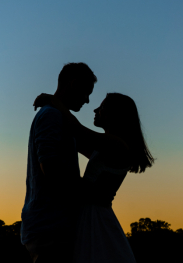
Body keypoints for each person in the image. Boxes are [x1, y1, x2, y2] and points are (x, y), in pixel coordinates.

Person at [33, 92, 154, 263]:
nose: (95, 110)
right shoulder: (108, 146)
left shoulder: (116, 145)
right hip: (91, 213)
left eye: (102, 107)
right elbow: (74, 140)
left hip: (95, 216)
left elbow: (77, 130)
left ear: (115, 114)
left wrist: (54, 101)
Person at [21, 62, 98, 263]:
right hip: (50, 229)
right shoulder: (51, 116)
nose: (88, 101)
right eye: (86, 93)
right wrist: (87, 191)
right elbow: (51, 170)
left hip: (54, 227)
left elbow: (91, 151)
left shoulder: (58, 116)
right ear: (73, 84)